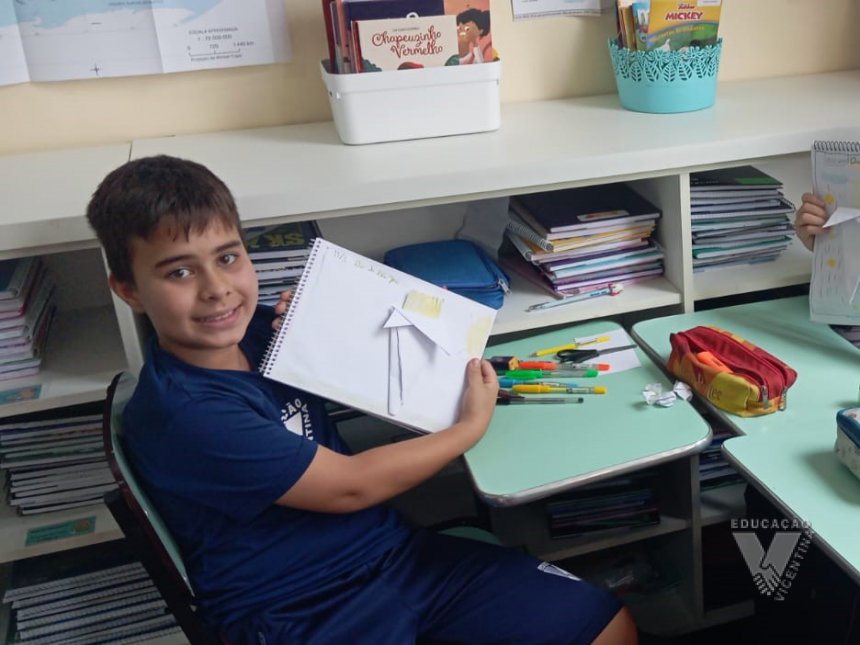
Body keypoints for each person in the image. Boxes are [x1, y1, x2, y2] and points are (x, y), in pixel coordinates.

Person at [85, 155, 637, 645]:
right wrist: (467, 429)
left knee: (604, 624)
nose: (216, 289)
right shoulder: (187, 413)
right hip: (297, 609)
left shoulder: (254, 332)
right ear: (129, 290)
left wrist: (334, 332)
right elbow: (351, 486)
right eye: (180, 272)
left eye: (228, 258)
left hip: (392, 557)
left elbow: (373, 378)